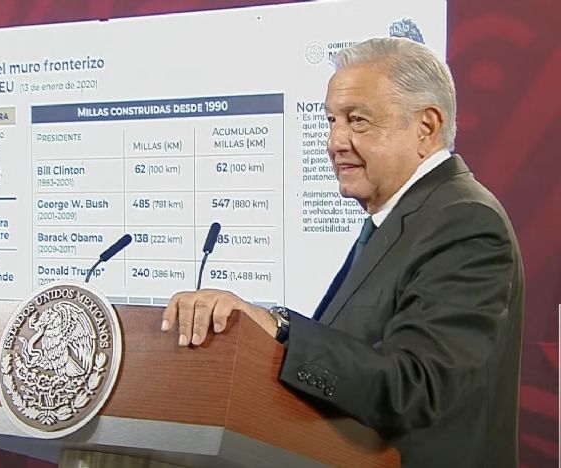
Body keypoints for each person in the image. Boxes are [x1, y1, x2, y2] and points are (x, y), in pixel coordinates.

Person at [161, 37, 524, 467]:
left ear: (426, 128)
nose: (334, 141)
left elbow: (415, 387)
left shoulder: (464, 220)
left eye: (357, 120)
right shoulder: (402, 217)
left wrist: (280, 328)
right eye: (332, 120)